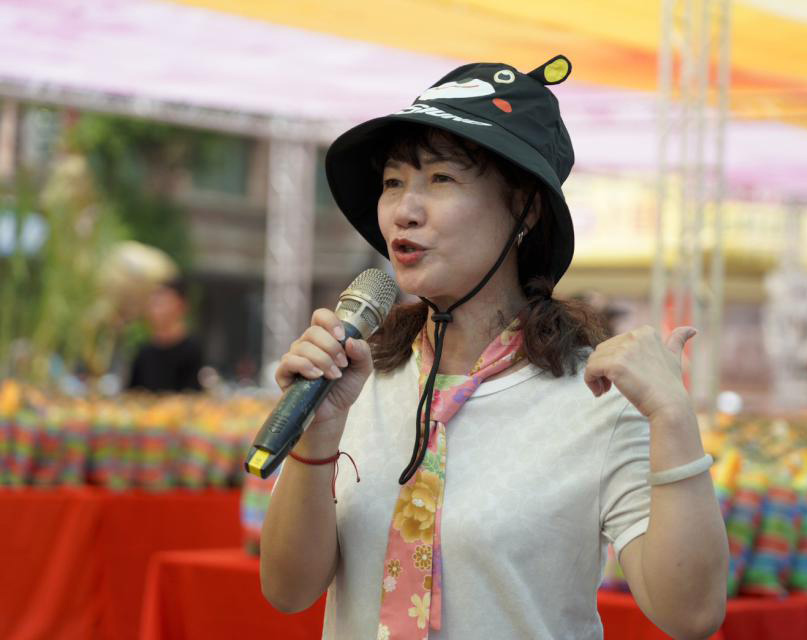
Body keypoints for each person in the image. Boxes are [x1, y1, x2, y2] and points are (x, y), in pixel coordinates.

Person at [260, 55, 728, 639]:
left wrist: (674, 418)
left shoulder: (599, 395)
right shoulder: (356, 378)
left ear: (524, 206)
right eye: (393, 182)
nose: (404, 210)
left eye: (442, 179)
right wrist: (319, 433)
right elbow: (288, 591)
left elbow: (691, 615)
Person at [127, 277, 203, 393]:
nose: (155, 309)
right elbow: (132, 393)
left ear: (181, 306)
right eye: (153, 302)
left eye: (162, 302)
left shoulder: (192, 350)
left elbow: (194, 394)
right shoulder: (143, 352)